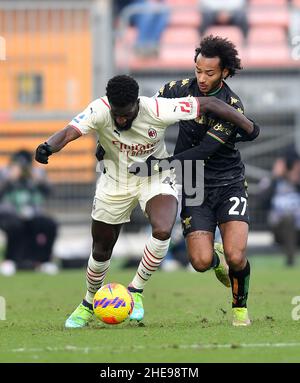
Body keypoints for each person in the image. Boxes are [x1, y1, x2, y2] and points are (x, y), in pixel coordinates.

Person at [35, 74, 256, 328]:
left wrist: (248, 125)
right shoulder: (100, 109)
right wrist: (48, 147)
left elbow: (210, 105)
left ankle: (136, 291)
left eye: (126, 114)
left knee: (162, 228)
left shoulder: (157, 108)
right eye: (117, 114)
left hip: (155, 178)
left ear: (137, 105)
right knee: (101, 249)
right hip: (114, 182)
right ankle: (88, 303)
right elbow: (70, 130)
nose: (120, 119)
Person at [140, 35, 260, 326]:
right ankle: (216, 259)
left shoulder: (231, 106)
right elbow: (147, 113)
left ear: (225, 73)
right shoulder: (178, 89)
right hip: (192, 182)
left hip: (228, 181)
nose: (201, 78)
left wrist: (159, 165)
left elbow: (204, 150)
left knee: (236, 255)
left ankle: (239, 309)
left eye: (209, 73)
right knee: (201, 262)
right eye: (198, 70)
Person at [0, 150, 58, 276]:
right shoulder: (4, 172)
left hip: (34, 214)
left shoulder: (37, 172)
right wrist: (9, 179)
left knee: (50, 225)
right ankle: (10, 260)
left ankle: (44, 261)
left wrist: (39, 180)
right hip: (9, 214)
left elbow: (50, 191)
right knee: (14, 226)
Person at [258, 148, 300, 266]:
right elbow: (261, 203)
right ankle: (290, 259)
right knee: (288, 218)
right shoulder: (270, 180)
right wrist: (275, 178)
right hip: (279, 229)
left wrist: (296, 181)